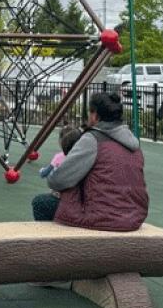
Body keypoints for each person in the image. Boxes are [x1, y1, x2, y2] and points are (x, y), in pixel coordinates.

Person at [31, 92, 148, 232]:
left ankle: (57, 251)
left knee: (41, 203)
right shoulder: (134, 144)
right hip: (134, 217)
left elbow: (57, 180)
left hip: (102, 218)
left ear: (95, 115)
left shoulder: (92, 139)